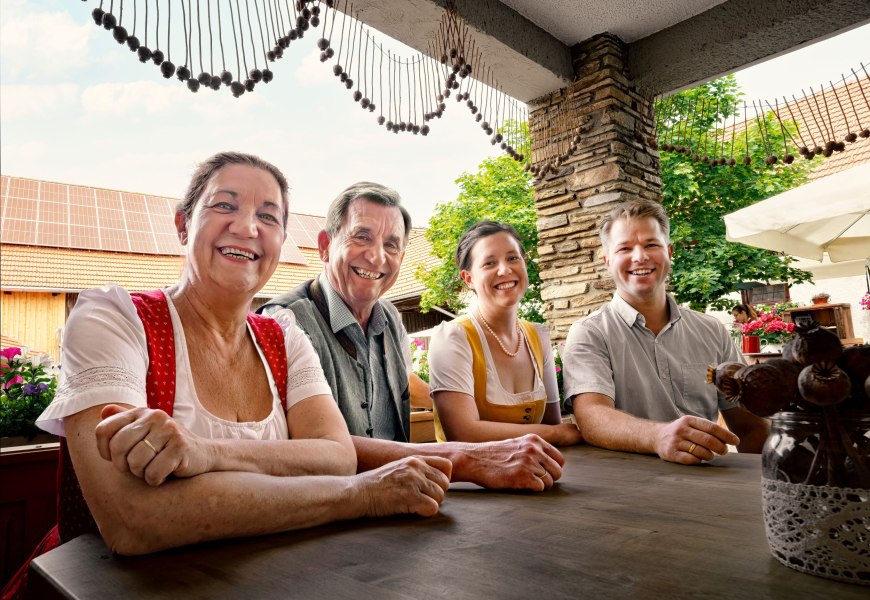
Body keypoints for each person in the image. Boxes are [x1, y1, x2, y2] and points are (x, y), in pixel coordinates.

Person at [32, 153, 452, 556]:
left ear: (281, 241)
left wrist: (206, 453)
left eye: (268, 216)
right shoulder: (113, 318)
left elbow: (337, 457)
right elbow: (134, 519)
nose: (247, 227)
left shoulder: (283, 336)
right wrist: (360, 495)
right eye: (224, 205)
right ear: (183, 224)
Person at [260, 183, 565, 491]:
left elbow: (407, 384)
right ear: (325, 246)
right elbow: (307, 443)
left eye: (391, 245)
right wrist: (466, 458)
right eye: (362, 236)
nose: (377, 256)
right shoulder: (283, 322)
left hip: (403, 499)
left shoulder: (391, 318)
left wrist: (457, 402)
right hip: (329, 505)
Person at [562, 199, 769, 465]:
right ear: (607, 261)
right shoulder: (589, 333)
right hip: (624, 483)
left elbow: (751, 427)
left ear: (669, 252)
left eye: (651, 245)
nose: (640, 256)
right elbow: (592, 418)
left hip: (707, 478)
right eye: (625, 248)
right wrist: (659, 436)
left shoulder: (712, 330)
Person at [427, 221, 583, 446]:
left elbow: (551, 423)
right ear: (468, 279)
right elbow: (463, 433)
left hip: (536, 466)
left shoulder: (537, 335)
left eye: (513, 258)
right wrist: (556, 434)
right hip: (466, 469)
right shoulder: (453, 337)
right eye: (489, 263)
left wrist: (556, 433)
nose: (505, 270)